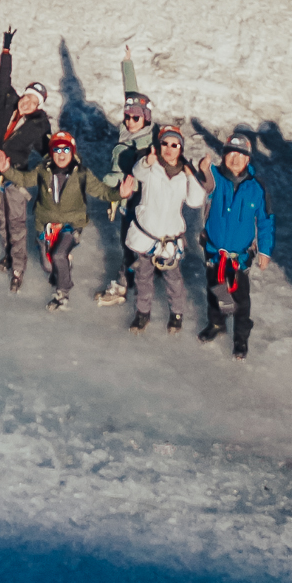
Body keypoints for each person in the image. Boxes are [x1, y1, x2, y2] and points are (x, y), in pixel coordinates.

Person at [0, 128, 125, 309]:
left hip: (71, 223)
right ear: (51, 153)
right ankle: (62, 265)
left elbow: (102, 191)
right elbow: (25, 179)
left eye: (65, 150)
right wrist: (7, 171)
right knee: (48, 266)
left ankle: (62, 293)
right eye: (57, 150)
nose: (61, 154)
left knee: (59, 255)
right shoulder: (43, 170)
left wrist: (119, 194)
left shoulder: (81, 173)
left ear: (72, 152)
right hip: (46, 223)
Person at [0, 28, 52, 292]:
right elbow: (3, 79)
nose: (26, 103)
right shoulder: (6, 102)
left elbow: (49, 152)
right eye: (26, 97)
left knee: (17, 223)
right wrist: (6, 50)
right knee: (2, 220)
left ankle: (18, 267)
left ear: (38, 107)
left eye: (32, 102)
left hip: (14, 178)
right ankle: (9, 254)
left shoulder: (38, 126)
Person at [197, 133, 274, 359]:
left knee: (240, 299)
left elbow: (266, 220)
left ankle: (240, 336)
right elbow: (201, 185)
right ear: (224, 156)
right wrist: (203, 170)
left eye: (241, 155)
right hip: (213, 251)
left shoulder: (257, 188)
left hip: (239, 257)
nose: (236, 159)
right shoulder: (215, 178)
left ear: (248, 160)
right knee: (215, 290)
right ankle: (216, 322)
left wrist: (265, 250)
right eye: (231, 153)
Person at [125, 124, 209, 333]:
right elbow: (137, 173)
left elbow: (196, 200)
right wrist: (147, 162)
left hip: (170, 239)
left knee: (174, 279)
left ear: (180, 148)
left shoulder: (184, 174)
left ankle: (176, 313)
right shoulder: (151, 167)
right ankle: (142, 313)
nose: (169, 148)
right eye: (165, 144)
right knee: (143, 277)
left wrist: (191, 175)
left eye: (174, 145)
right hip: (147, 235)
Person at [97, 45, 157, 305]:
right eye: (127, 116)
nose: (130, 120)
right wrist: (127, 63)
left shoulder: (145, 144)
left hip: (137, 204)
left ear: (145, 119)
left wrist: (109, 181)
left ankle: (124, 284)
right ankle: (130, 276)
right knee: (127, 243)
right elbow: (130, 93)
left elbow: (126, 175)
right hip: (124, 203)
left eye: (135, 117)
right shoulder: (128, 133)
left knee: (133, 245)